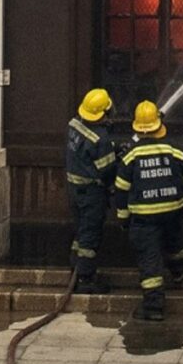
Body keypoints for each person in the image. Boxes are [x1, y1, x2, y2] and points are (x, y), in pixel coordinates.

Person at [111, 100, 183, 321]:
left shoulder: (130, 157)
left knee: (149, 257)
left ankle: (153, 306)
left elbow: (121, 190)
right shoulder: (175, 152)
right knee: (176, 244)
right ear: (159, 126)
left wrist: (123, 218)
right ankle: (178, 273)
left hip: (144, 218)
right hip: (173, 212)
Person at [64, 88, 119, 292]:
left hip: (74, 189)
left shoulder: (74, 124)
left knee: (81, 232)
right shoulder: (100, 139)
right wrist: (117, 158)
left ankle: (75, 268)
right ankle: (85, 279)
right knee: (90, 235)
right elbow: (107, 170)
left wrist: (112, 149)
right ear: (104, 112)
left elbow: (84, 153)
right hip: (91, 193)